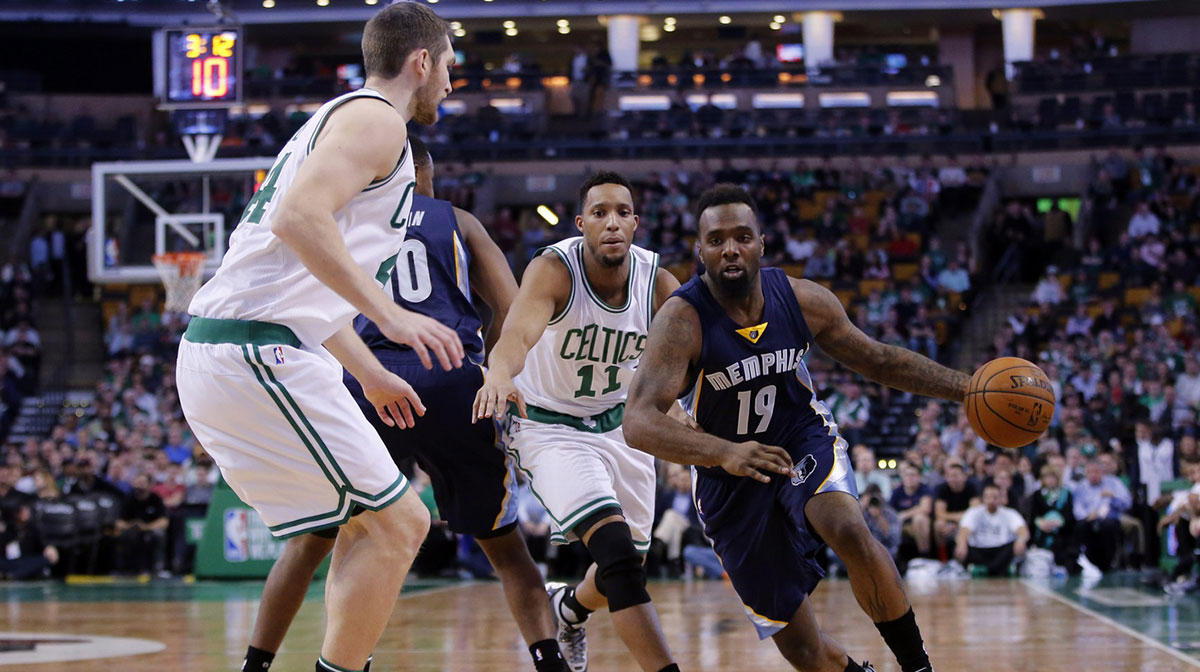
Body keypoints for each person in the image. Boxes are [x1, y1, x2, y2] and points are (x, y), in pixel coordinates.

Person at [176, 5, 466, 672]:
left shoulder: (342, 121)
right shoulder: (378, 120)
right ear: (421, 61)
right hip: (253, 353)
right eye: (449, 65)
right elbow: (297, 219)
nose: (451, 82)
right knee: (401, 522)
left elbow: (309, 288)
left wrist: (367, 370)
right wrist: (391, 316)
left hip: (250, 349)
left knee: (368, 522)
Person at [242, 139, 570, 672]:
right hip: (453, 385)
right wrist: (488, 365)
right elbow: (513, 310)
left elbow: (317, 313)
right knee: (506, 548)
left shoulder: (348, 221)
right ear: (426, 174)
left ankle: (276, 663)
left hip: (370, 385)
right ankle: (550, 661)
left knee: (330, 539)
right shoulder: (459, 220)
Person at [623, 184, 967, 672]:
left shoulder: (803, 299)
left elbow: (880, 360)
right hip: (728, 479)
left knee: (847, 527)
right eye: (716, 240)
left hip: (798, 437)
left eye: (742, 236)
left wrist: (967, 388)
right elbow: (636, 422)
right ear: (699, 251)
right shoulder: (682, 320)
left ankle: (918, 667)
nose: (730, 248)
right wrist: (724, 452)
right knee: (804, 650)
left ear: (761, 242)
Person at [473, 171, 683, 672]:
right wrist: (498, 374)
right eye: (600, 213)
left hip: (621, 427)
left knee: (627, 567)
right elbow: (517, 335)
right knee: (618, 558)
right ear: (581, 223)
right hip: (550, 426)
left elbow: (686, 358)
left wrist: (683, 415)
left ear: (636, 223)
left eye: (622, 213)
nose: (612, 222)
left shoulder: (657, 282)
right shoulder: (554, 270)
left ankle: (569, 608)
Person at [954, 484, 1029, 576]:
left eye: (995, 497)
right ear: (983, 498)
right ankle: (1000, 569)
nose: (991, 500)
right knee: (962, 545)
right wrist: (961, 544)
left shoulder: (1010, 513)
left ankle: (983, 569)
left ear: (1000, 498)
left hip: (1000, 550)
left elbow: (1022, 530)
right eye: (988, 497)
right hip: (979, 550)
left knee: (1016, 546)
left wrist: (1020, 540)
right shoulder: (973, 512)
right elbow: (964, 531)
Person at [1073, 458, 1132, 572]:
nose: (1094, 475)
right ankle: (1087, 561)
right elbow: (1077, 508)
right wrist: (1087, 515)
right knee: (1081, 526)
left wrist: (1113, 497)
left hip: (1109, 518)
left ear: (1102, 472)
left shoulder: (1114, 482)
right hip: (1089, 518)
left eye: (1096, 471)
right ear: (1086, 473)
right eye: (1090, 472)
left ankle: (1110, 562)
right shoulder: (1081, 487)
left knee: (1109, 526)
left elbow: (1127, 503)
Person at [1029, 464, 1078, 573]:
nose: (1050, 480)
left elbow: (1069, 516)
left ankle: (1061, 566)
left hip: (1061, 531)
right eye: (1047, 477)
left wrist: (1057, 523)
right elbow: (1033, 516)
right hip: (1042, 530)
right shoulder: (1037, 494)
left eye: (1052, 477)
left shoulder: (1066, 494)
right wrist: (1042, 523)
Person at [934, 461, 979, 557]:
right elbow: (940, 514)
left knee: (970, 525)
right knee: (939, 524)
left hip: (966, 524)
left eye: (956, 475)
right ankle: (943, 558)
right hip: (951, 522)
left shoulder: (972, 488)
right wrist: (957, 519)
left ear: (964, 476)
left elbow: (975, 512)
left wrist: (956, 525)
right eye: (950, 476)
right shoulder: (942, 489)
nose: (953, 479)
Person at [890, 462, 934, 558]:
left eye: (913, 475)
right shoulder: (897, 492)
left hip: (922, 524)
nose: (910, 478)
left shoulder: (924, 489)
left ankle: (924, 555)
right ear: (902, 476)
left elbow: (926, 508)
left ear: (919, 477)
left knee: (919, 519)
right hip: (902, 525)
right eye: (907, 475)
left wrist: (905, 515)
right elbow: (891, 513)